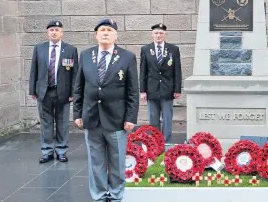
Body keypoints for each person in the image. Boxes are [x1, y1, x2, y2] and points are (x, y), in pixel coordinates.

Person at [73, 19, 139, 202]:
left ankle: (116, 195)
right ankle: (100, 195)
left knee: (117, 161)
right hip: (92, 118)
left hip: (117, 119)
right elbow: (79, 86)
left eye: (109, 30)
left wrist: (131, 117)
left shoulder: (127, 57)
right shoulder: (86, 55)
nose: (105, 33)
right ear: (96, 35)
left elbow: (132, 91)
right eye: (102, 30)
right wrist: (77, 113)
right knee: (96, 161)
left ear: (115, 35)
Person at [29, 20, 78, 163]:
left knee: (62, 123)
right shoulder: (39, 48)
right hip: (44, 92)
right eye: (51, 30)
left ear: (62, 33)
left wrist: (73, 93)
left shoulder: (70, 50)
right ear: (47, 33)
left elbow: (74, 73)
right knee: (46, 123)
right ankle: (47, 151)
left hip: (62, 92)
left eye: (57, 30)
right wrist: (33, 90)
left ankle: (61, 150)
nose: (54, 32)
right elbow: (34, 70)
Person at [139, 23, 182, 144]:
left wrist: (177, 89)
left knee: (167, 119)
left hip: (167, 90)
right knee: (153, 119)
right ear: (152, 34)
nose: (158, 35)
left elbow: (177, 70)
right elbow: (143, 71)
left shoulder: (173, 49)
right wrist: (142, 90)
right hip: (151, 90)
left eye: (161, 33)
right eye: (156, 33)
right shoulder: (146, 49)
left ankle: (167, 143)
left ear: (165, 34)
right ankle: (155, 144)